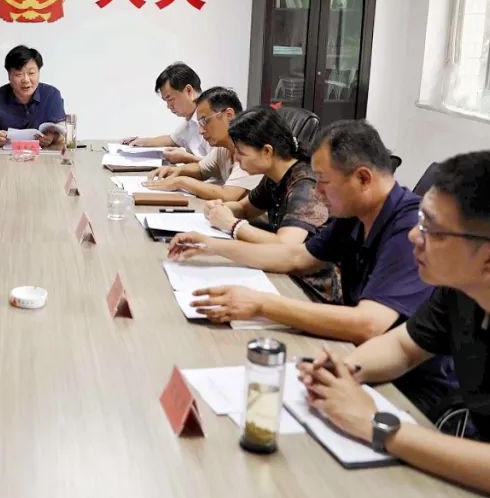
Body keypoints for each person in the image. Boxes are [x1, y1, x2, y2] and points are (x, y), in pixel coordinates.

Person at [298, 150, 490, 498]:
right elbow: (403, 346)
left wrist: (375, 425)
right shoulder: (464, 287)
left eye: (432, 229)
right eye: (420, 220)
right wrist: (345, 371)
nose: (414, 236)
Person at [170, 120, 452, 418]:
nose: (316, 191)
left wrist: (262, 304)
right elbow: (295, 257)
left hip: (409, 390)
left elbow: (369, 324)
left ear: (363, 178)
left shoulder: (409, 229)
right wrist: (212, 246)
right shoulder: (356, 212)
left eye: (323, 181)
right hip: (357, 359)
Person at [201, 106, 337, 301]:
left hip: (310, 290)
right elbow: (244, 208)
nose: (236, 159)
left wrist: (232, 225)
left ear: (267, 151)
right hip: (284, 273)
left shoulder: (306, 184)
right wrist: (219, 209)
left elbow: (285, 245)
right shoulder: (274, 176)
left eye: (241, 153)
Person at [143, 87, 261, 201]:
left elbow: (228, 195)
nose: (201, 131)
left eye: (204, 121)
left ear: (229, 115)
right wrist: (175, 171)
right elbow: (201, 169)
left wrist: (181, 181)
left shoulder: (251, 146)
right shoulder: (223, 148)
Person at [0, 45, 66, 148]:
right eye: (19, 74)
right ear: (9, 75)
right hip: (4, 155)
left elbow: (63, 132)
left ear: (38, 72)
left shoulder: (51, 95)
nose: (26, 80)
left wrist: (53, 137)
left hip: (43, 155)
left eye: (31, 73)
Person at [123, 62, 208, 164]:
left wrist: (186, 158)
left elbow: (219, 165)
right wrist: (142, 141)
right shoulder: (190, 120)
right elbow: (172, 139)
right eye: (166, 101)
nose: (169, 106)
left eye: (170, 99)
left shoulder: (212, 117)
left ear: (188, 91)